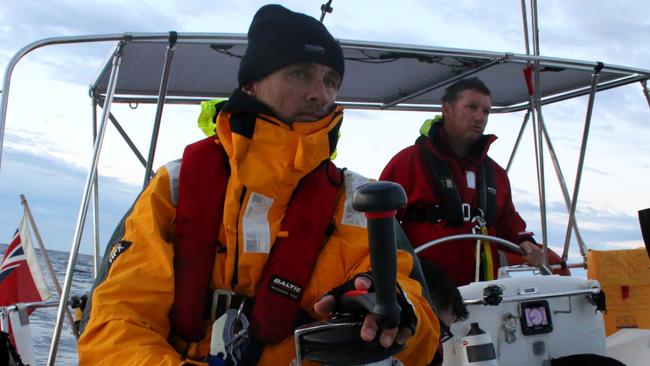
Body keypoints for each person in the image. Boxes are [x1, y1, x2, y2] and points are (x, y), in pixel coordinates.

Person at [78, 5, 437, 365]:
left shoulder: (357, 201)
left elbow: (424, 337)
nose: (320, 94)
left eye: (330, 81)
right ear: (251, 83)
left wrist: (401, 313)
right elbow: (116, 323)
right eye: (300, 74)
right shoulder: (174, 187)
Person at [380, 77, 543, 286]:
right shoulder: (407, 163)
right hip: (426, 294)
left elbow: (508, 221)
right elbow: (380, 225)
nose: (479, 117)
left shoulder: (496, 174)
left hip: (483, 293)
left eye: (486, 111)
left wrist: (525, 242)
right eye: (472, 107)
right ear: (447, 110)